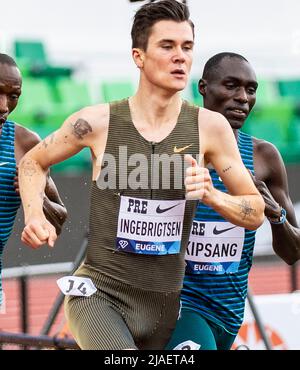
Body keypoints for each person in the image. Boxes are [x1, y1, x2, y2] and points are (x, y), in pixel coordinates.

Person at [18, 2, 264, 350]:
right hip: (100, 295)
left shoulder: (211, 129)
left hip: (166, 308)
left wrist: (213, 195)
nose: (180, 57)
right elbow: (32, 162)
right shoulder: (96, 122)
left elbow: (254, 211)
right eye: (167, 46)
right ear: (139, 56)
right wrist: (34, 215)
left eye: (187, 47)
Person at [166, 52, 300, 351]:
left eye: (251, 90)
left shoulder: (263, 157)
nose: (242, 97)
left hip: (229, 314)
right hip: (180, 307)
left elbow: (293, 253)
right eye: (231, 85)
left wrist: (274, 214)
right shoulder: (171, 149)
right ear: (203, 87)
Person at [0, 53, 67, 307]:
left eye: (13, 95)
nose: (4, 106)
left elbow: (59, 218)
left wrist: (35, 199)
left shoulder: (25, 144)